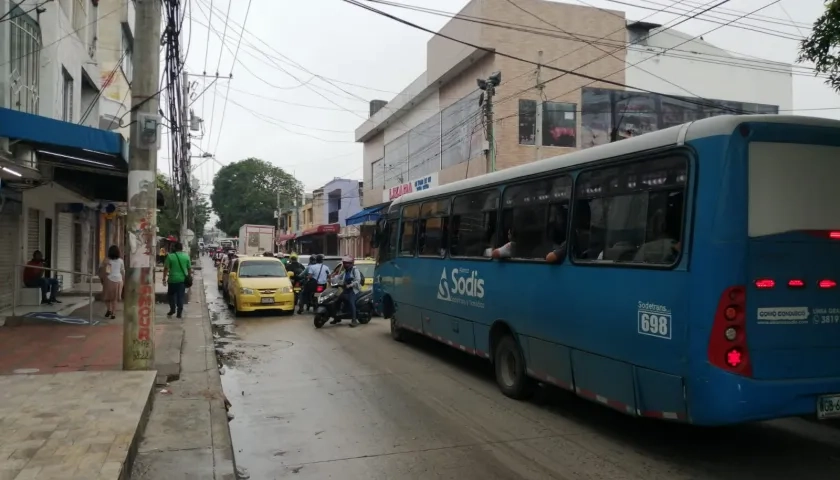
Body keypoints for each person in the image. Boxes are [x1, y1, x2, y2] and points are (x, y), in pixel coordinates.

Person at [162, 242, 192, 319]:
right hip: (182, 280)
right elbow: (189, 269)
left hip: (172, 280)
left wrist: (164, 278)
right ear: (181, 248)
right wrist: (189, 277)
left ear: (174, 248)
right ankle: (179, 312)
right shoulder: (186, 257)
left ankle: (172, 309)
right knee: (180, 296)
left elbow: (166, 269)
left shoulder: (170, 256)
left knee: (171, 295)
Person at [332, 256, 362, 327]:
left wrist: (351, 285)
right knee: (337, 300)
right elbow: (339, 277)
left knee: (351, 303)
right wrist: (332, 278)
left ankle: (354, 320)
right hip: (346, 290)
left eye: (347, 263)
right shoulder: (345, 271)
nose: (345, 265)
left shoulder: (355, 270)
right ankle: (337, 318)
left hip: (353, 290)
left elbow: (358, 280)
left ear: (351, 264)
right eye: (344, 263)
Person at [99, 245, 125, 319]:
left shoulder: (107, 260)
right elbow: (123, 271)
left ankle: (109, 309)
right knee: (115, 299)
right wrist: (123, 280)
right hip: (119, 281)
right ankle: (113, 313)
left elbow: (106, 272)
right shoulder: (121, 261)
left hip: (109, 280)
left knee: (107, 297)